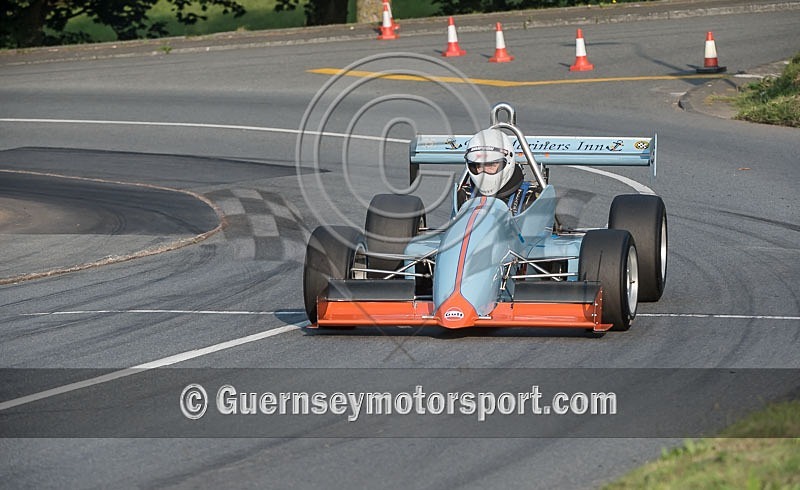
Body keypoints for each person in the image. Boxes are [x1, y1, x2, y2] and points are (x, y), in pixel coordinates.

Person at [459, 128, 538, 214]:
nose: (484, 171)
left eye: (491, 165)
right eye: (479, 165)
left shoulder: (530, 197)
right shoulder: (464, 195)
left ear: (507, 163)